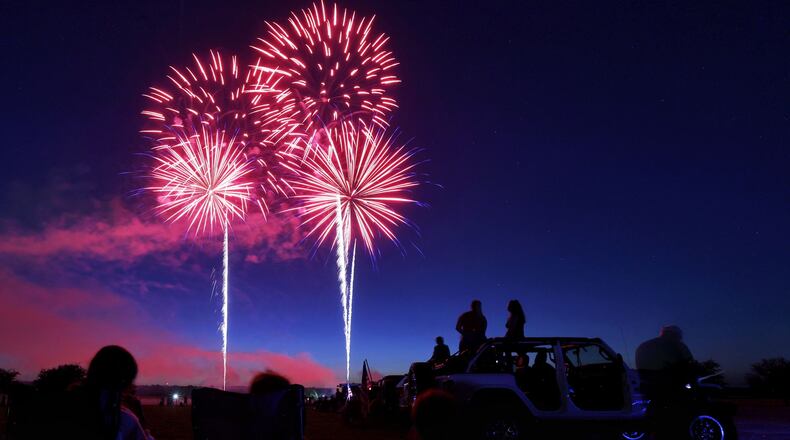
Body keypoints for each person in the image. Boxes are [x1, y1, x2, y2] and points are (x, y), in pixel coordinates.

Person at [635, 325, 695, 399]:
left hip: (647, 387)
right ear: (676, 334)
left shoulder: (643, 345)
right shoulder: (677, 344)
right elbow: (689, 362)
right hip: (671, 387)